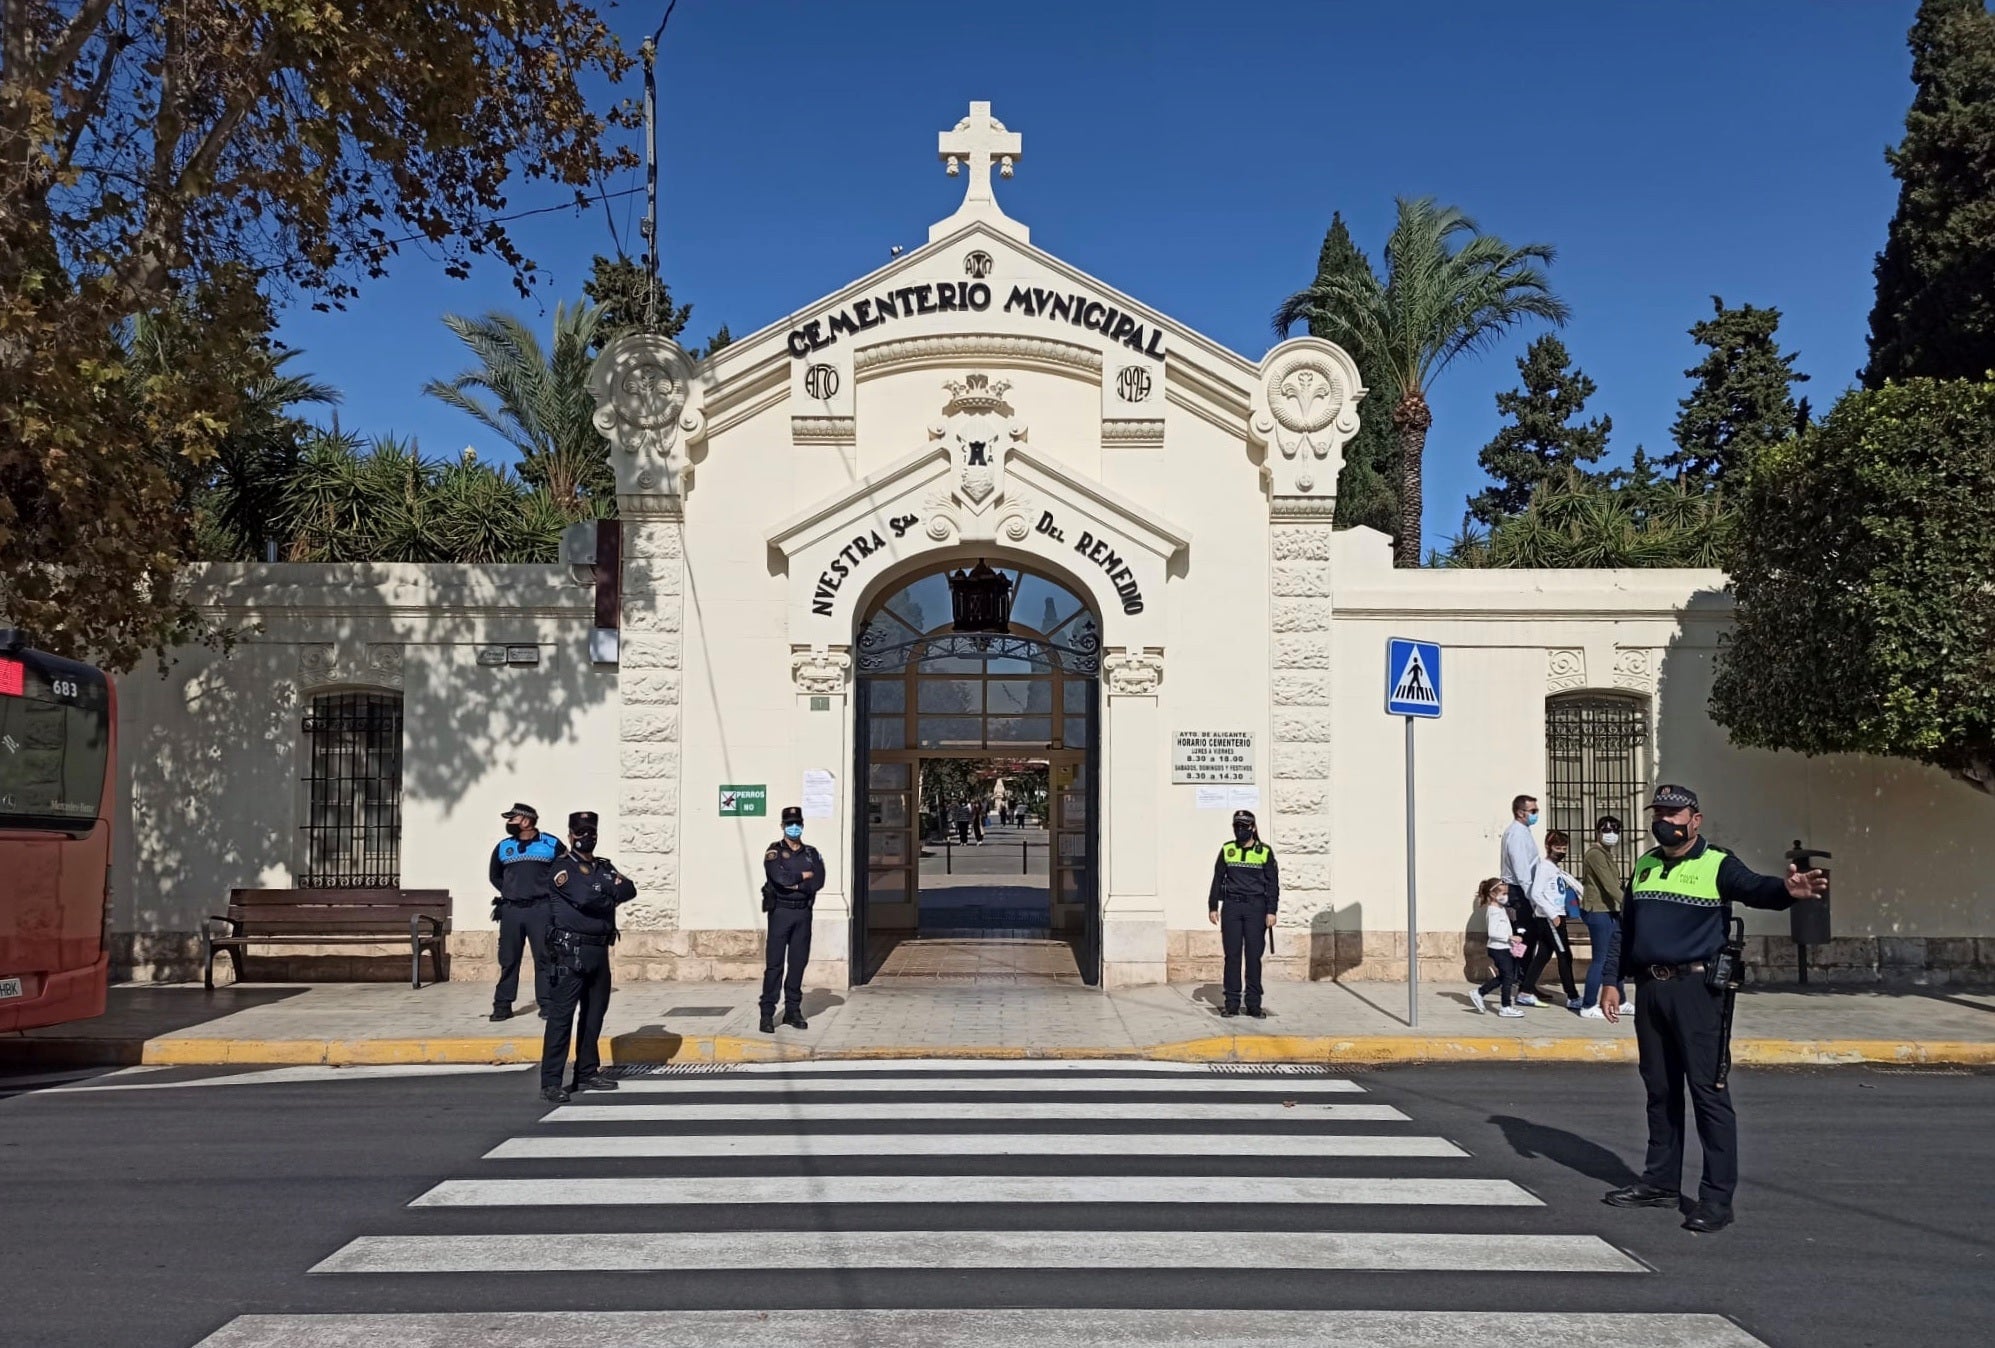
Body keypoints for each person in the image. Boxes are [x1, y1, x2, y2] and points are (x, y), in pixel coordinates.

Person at [1599, 784, 1827, 1234]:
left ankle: (1716, 1199)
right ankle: (1660, 1182)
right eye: (1659, 813)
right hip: (1651, 989)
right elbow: (1625, 929)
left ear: (1695, 820)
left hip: (1698, 991)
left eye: (1673, 813)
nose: (1664, 821)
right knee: (1660, 1090)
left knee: (1708, 1092)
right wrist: (1611, 980)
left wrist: (1786, 890)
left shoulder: (1717, 863)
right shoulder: (1645, 865)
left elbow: (1754, 888)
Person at [538, 811, 636, 1104]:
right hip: (570, 952)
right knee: (561, 1018)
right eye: (580, 832)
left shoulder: (603, 866)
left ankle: (587, 1071)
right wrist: (609, 893)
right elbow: (584, 898)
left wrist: (604, 893)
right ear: (570, 835)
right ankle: (551, 1081)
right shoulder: (562, 868)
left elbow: (629, 889)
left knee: (594, 1016)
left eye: (590, 831)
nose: (586, 837)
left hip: (598, 951)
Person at [488, 802, 566, 1022]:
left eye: (512, 818)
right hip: (511, 910)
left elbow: (565, 873)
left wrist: (551, 896)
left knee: (545, 957)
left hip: (541, 909)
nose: (509, 823)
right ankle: (502, 1005)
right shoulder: (504, 846)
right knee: (509, 959)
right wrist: (511, 891)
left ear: (526, 820)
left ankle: (547, 1004)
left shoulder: (551, 843)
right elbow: (495, 875)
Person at [1207, 809, 1279, 1018]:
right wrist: (1213, 906)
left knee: (1253, 957)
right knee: (1232, 956)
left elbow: (1273, 884)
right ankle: (1231, 1003)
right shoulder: (1227, 849)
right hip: (1232, 906)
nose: (1240, 830)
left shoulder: (1264, 851)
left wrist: (1271, 911)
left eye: (1244, 826)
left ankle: (1254, 1004)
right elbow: (1217, 878)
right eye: (1236, 826)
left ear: (1253, 828)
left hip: (1256, 908)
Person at [760, 805, 825, 1034]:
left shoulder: (811, 853)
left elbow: (818, 881)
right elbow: (780, 878)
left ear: (802, 825)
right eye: (789, 824)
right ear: (782, 826)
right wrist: (802, 877)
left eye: (797, 823)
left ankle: (793, 1010)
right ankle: (767, 1013)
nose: (794, 827)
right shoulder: (774, 852)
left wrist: (797, 884)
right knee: (775, 965)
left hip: (803, 913)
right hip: (781, 912)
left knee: (798, 963)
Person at [1522, 829, 1583, 1010]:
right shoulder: (1544, 868)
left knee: (1543, 955)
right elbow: (1536, 893)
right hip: (1551, 918)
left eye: (1564, 848)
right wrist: (1553, 915)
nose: (1561, 852)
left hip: (1556, 915)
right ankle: (1572, 996)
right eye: (1558, 848)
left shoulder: (1556, 870)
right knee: (1565, 955)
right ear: (1548, 847)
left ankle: (1525, 991)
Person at [1578, 815, 1627, 1019]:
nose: (1611, 834)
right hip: (1598, 911)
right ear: (1598, 832)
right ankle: (1588, 1005)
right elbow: (1610, 885)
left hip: (1609, 910)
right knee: (1601, 959)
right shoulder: (1595, 854)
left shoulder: (1606, 854)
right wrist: (1630, 905)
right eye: (1606, 830)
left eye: (1615, 830)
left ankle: (1620, 1001)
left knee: (1614, 957)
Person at [1469, 877, 1525, 1017]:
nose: (1506, 896)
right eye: (1503, 893)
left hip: (1504, 947)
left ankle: (1480, 992)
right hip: (1498, 949)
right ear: (1493, 894)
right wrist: (1509, 937)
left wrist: (1513, 940)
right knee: (1508, 977)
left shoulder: (1500, 909)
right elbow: (1492, 932)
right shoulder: (1493, 911)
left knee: (1506, 976)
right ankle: (1505, 1006)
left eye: (1506, 893)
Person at [1498, 792, 1540, 952]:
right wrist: (1532, 896)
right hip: (1519, 891)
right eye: (1533, 811)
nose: (1536, 815)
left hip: (1522, 890)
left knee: (1528, 935)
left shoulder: (1523, 831)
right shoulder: (1517, 834)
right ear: (1520, 812)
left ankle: (1523, 965)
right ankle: (1520, 967)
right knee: (1524, 935)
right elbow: (1521, 868)